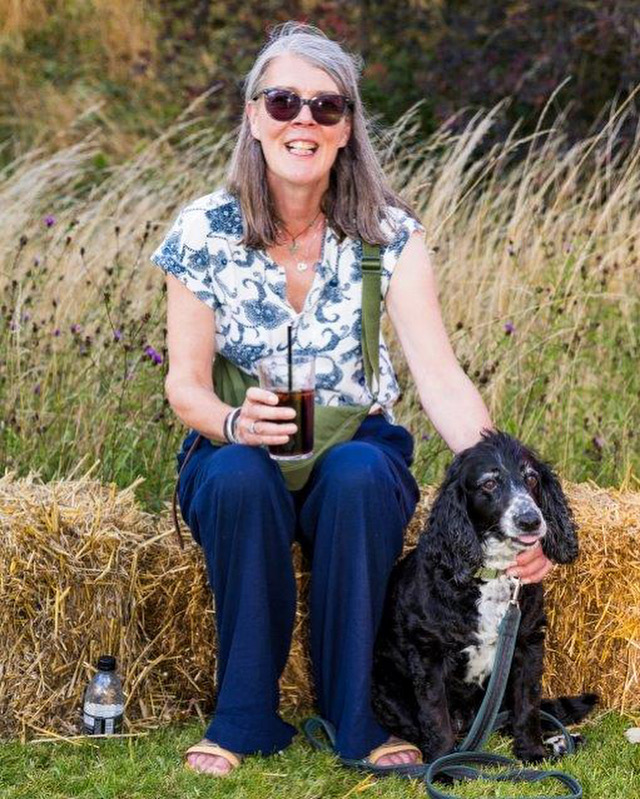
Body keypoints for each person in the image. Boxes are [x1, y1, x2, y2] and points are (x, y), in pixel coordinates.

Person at [150, 22, 554, 777]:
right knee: (238, 476)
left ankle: (354, 714)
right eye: (283, 101)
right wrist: (235, 422)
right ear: (252, 117)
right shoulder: (202, 231)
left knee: (362, 478)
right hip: (237, 443)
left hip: (356, 445)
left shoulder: (389, 235)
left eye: (325, 107)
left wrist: (515, 508)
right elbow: (185, 385)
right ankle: (243, 718)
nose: (303, 119)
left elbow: (437, 376)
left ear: (347, 129)